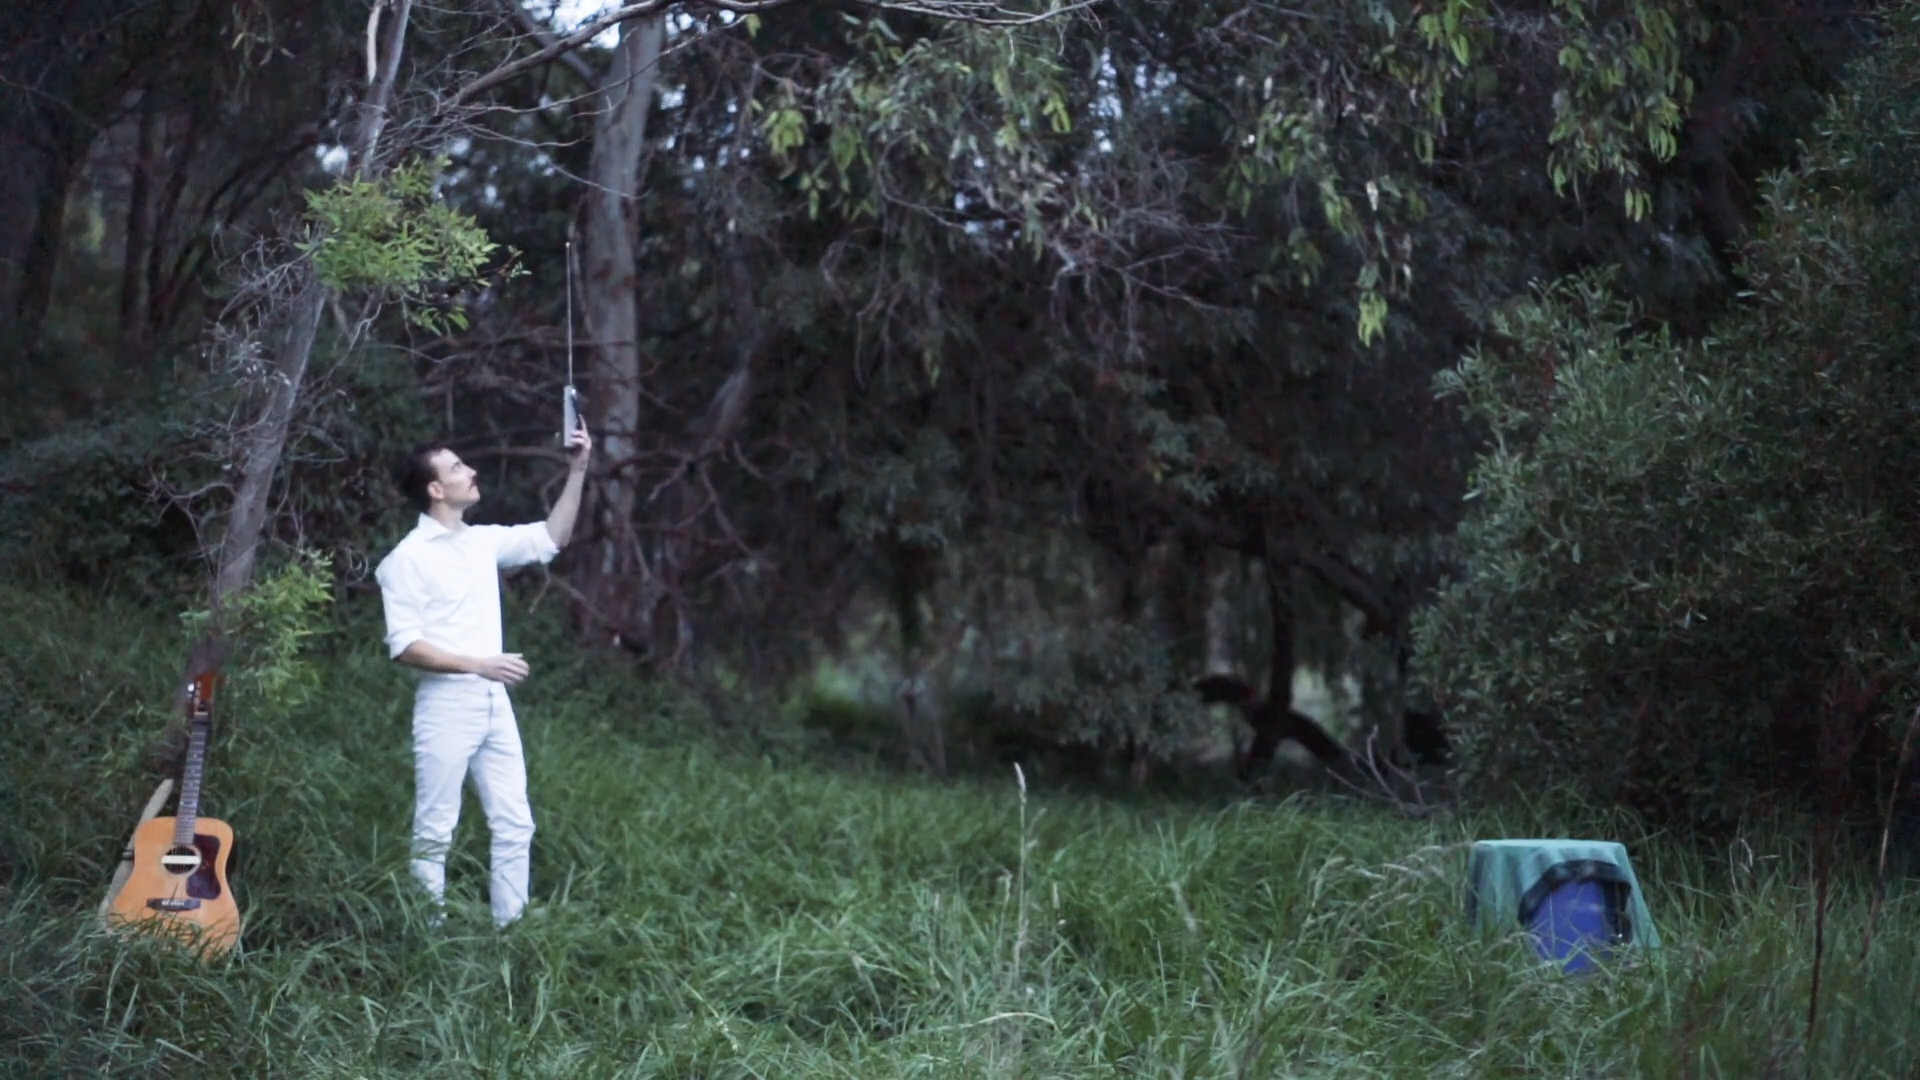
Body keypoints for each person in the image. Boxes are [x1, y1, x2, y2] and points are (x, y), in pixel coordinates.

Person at [374, 423, 591, 927]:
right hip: (447, 706)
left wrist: (578, 470)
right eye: (457, 468)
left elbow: (551, 538)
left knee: (516, 822)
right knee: (435, 830)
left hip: (493, 704)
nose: (471, 472)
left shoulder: (480, 542)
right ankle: (427, 938)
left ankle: (511, 929)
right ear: (436, 489)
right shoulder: (406, 559)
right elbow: (405, 646)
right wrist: (479, 664)